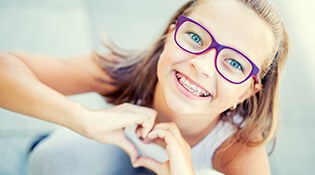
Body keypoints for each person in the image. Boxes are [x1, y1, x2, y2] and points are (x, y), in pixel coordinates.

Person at [0, 0, 289, 174]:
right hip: (110, 158)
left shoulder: (237, 149)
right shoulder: (124, 71)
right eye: (196, 37)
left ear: (248, 91)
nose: (202, 65)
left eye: (234, 64)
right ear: (171, 34)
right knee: (54, 158)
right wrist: (81, 118)